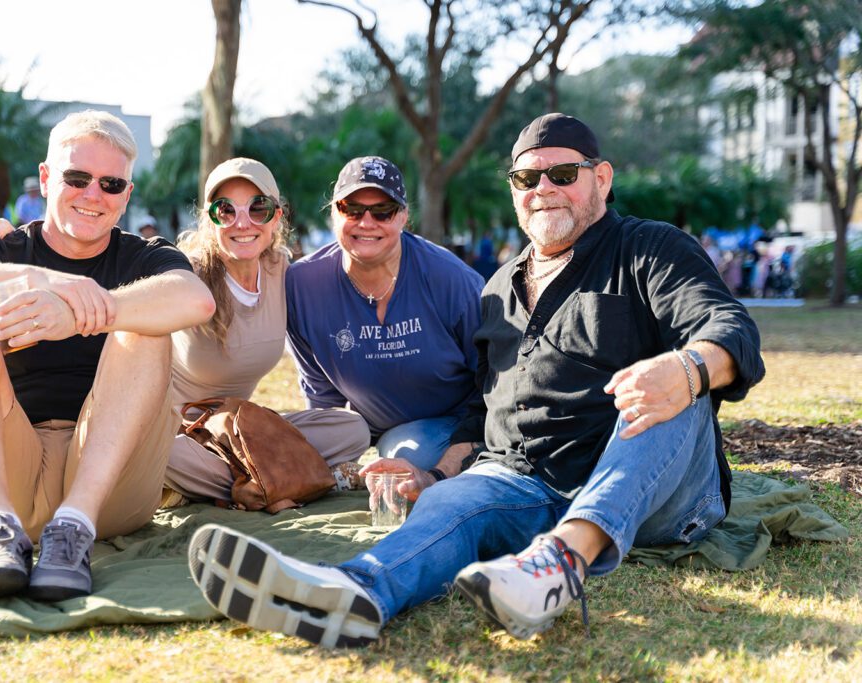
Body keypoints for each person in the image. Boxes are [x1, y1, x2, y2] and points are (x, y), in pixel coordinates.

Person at [187, 113, 765, 648]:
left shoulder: (648, 248)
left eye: (562, 173)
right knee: (449, 503)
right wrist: (435, 473)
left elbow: (728, 325)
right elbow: (484, 407)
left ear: (602, 179)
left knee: (664, 395)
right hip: (534, 485)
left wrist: (688, 368)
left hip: (658, 493)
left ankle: (561, 565)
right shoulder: (499, 287)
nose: (543, 188)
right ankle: (353, 592)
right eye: (526, 177)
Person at [0, 110, 216, 603]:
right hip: (5, 473)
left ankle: (73, 530)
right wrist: (40, 280)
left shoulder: (144, 256)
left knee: (146, 327)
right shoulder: (2, 248)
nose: (93, 195)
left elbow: (195, 300)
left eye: (111, 184)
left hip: (109, 486)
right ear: (46, 178)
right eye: (77, 177)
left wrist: (89, 312)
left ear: (126, 196)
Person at [165, 158, 370, 503]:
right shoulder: (188, 274)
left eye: (258, 208)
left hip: (242, 432)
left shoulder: (280, 271)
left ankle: (253, 483)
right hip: (180, 435)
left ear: (277, 216)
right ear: (210, 219)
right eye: (225, 210)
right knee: (161, 458)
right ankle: (297, 480)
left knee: (353, 430)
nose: (242, 222)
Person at [284, 156, 484, 471]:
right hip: (365, 428)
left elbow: (494, 384)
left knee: (404, 454)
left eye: (383, 211)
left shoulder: (452, 280)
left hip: (453, 425)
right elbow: (320, 392)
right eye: (352, 209)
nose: (366, 222)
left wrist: (453, 459)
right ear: (334, 213)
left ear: (403, 216)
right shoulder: (301, 285)